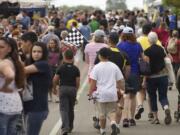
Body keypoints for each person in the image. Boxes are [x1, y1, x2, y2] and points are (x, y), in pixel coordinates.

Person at [89, 47, 125, 135]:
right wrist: (121, 90)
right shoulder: (114, 66)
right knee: (112, 111)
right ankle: (113, 123)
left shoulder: (96, 67)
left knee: (102, 113)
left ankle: (103, 130)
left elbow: (93, 82)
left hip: (100, 93)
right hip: (112, 93)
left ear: (100, 56)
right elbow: (120, 81)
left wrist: (90, 93)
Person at [23, 42, 52, 135]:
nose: (36, 54)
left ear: (44, 53)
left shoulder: (43, 64)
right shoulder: (34, 64)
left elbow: (22, 70)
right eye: (34, 51)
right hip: (29, 107)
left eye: (39, 51)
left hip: (37, 109)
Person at [117, 27, 143, 127]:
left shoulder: (120, 45)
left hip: (123, 73)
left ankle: (125, 119)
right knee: (132, 97)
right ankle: (132, 119)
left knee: (125, 97)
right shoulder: (137, 45)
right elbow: (142, 57)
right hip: (135, 72)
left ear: (123, 34)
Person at [144, 32, 172, 125]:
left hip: (151, 77)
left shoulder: (146, 51)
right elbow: (166, 60)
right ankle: (166, 108)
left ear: (149, 40)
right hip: (163, 76)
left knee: (152, 97)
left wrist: (144, 80)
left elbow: (146, 67)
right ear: (157, 40)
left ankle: (156, 118)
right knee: (163, 96)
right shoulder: (162, 49)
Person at [0, 37, 25, 135]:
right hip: (15, 106)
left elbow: (10, 75)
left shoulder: (3, 63)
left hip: (3, 107)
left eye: (1, 47)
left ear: (9, 49)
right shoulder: (15, 62)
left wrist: (4, 86)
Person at [53, 49, 80, 135]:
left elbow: (55, 79)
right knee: (71, 109)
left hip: (63, 88)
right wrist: (76, 91)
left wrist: (55, 87)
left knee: (64, 109)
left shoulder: (61, 67)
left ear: (64, 57)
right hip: (72, 89)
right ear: (72, 58)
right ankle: (70, 127)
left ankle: (65, 128)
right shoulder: (76, 69)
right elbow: (77, 82)